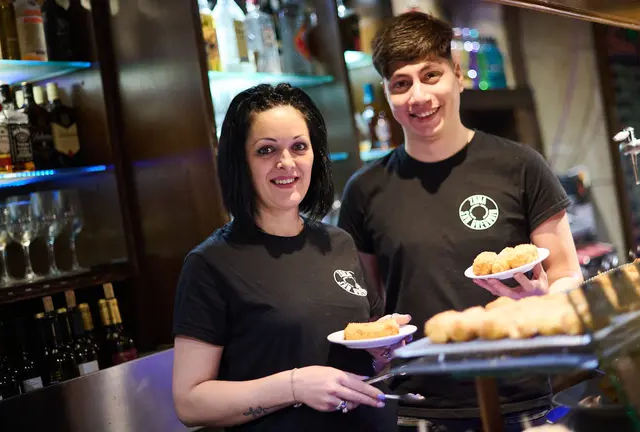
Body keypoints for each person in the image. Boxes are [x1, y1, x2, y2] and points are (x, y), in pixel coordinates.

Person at [337, 11, 583, 432]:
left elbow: (567, 274)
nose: (418, 96)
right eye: (401, 83)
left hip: (522, 404)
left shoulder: (519, 165)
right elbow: (369, 305)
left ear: (457, 75)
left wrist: (545, 296)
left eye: (430, 75)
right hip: (419, 409)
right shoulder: (364, 190)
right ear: (386, 93)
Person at [171, 83, 409, 432]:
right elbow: (190, 402)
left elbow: (367, 359)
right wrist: (295, 386)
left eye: (299, 146)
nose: (286, 163)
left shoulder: (338, 243)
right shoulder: (211, 264)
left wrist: (384, 351)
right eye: (266, 150)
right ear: (240, 162)